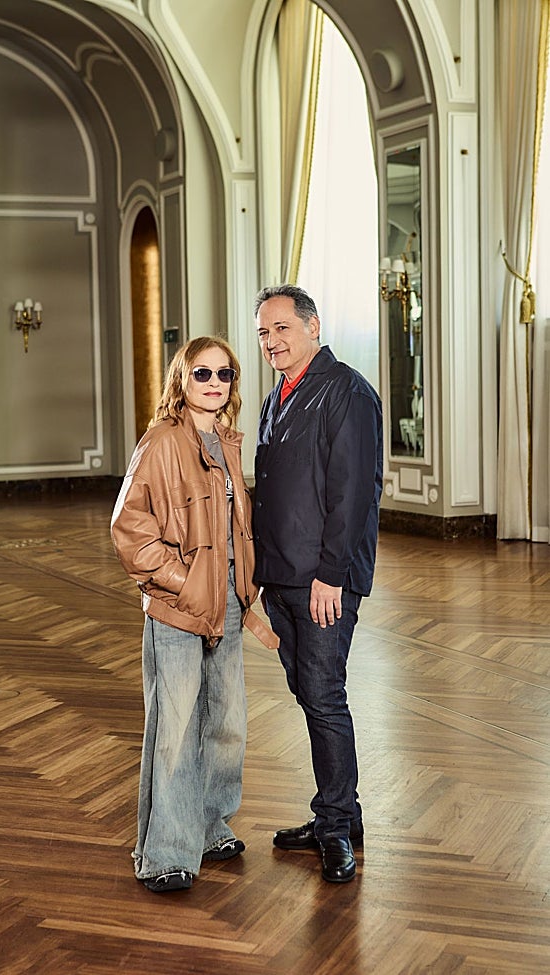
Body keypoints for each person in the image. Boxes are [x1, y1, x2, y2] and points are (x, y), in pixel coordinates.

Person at [111, 336, 277, 894]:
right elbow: (129, 529)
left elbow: (235, 531)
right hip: (178, 607)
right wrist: (183, 583)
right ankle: (163, 853)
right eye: (201, 373)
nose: (213, 383)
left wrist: (244, 594)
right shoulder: (160, 442)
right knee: (176, 728)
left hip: (229, 602)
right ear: (181, 379)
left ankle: (209, 826)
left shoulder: (228, 441)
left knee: (226, 723)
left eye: (224, 374)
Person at [252, 284, 383, 884]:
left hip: (322, 582)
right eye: (263, 333)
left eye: (281, 328)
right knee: (311, 695)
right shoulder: (275, 397)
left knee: (325, 696)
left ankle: (334, 826)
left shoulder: (347, 392)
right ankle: (341, 811)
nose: (271, 341)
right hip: (280, 578)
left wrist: (331, 575)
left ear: (312, 327)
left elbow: (354, 493)